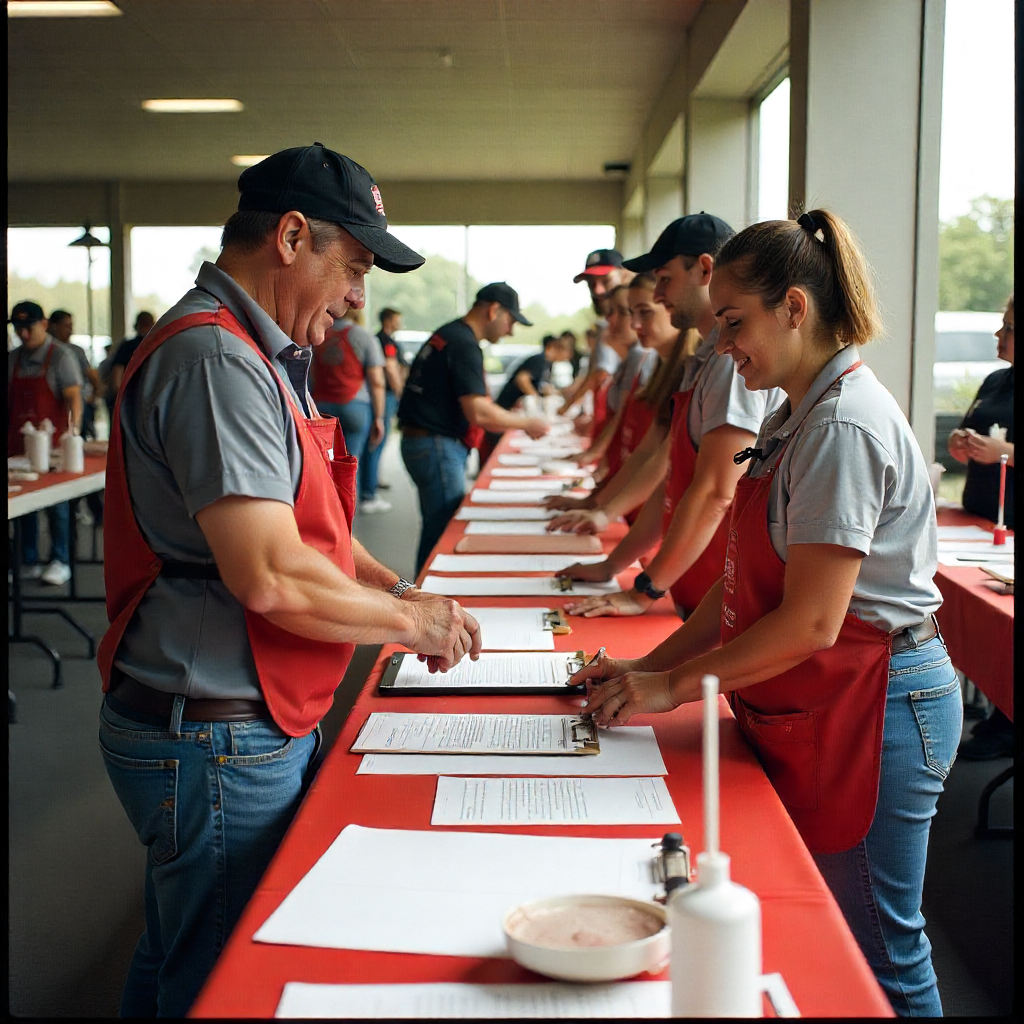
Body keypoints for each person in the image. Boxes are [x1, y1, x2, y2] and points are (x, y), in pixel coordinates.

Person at [96, 143, 481, 1018]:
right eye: (352, 269)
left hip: (227, 720)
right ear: (292, 236)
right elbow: (269, 574)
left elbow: (315, 534)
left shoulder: (258, 354)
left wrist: (398, 591)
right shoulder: (217, 362)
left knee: (176, 952)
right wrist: (409, 626)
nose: (357, 297)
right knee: (221, 979)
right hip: (214, 739)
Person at [573, 210, 960, 1017]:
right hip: (839, 687)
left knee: (881, 946)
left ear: (794, 307)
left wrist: (672, 686)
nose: (720, 345)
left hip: (880, 697)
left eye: (733, 323)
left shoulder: (842, 426)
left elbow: (810, 622)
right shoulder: (796, 411)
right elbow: (743, 589)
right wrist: (647, 670)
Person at [558, 214, 781, 622]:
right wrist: (613, 567)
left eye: (664, 279)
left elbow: (716, 491)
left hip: (719, 591)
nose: (658, 295)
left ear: (704, 269)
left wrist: (644, 590)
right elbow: (672, 485)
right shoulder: (704, 361)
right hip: (692, 582)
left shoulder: (729, 364)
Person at [397, 282, 550, 573]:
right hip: (436, 445)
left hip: (426, 441)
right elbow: (478, 411)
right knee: (442, 534)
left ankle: (423, 595)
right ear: (494, 310)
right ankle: (426, 601)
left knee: (436, 527)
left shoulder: (451, 333)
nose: (510, 331)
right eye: (510, 321)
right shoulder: (464, 343)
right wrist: (526, 423)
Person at [947, 294, 1014, 760]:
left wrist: (1005, 455)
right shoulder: (995, 380)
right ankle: (995, 711)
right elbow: (969, 428)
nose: (998, 335)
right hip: (979, 518)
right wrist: (960, 442)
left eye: (1008, 327)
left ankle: (1005, 719)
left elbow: (1001, 446)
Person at [8, 301, 83, 586]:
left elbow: (74, 396)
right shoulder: (13, 359)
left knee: (57, 506)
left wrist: (72, 434)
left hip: (53, 447)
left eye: (28, 328)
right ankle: (27, 559)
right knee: (23, 505)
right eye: (18, 329)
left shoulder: (60, 357)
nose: (23, 335)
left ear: (43, 324)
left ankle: (60, 559)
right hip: (18, 447)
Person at [310, 306, 390, 513]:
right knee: (350, 462)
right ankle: (349, 511)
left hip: (321, 405)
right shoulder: (363, 335)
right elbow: (377, 381)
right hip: (354, 404)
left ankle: (324, 509)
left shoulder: (319, 332)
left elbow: (309, 374)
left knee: (324, 462)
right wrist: (379, 417)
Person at [369, 306, 407, 491]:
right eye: (397, 319)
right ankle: (372, 483)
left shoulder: (382, 339)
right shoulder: (386, 341)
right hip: (387, 394)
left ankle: (373, 479)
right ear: (388, 320)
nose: (400, 323)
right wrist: (400, 391)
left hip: (385, 393)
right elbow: (391, 368)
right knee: (380, 437)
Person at [48, 309, 102, 439]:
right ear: (54, 326)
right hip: (52, 407)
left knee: (76, 443)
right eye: (66, 326)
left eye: (71, 326)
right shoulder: (47, 351)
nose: (70, 330)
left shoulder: (77, 351)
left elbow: (92, 375)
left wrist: (93, 396)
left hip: (77, 404)